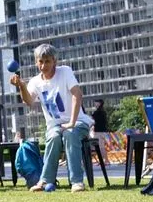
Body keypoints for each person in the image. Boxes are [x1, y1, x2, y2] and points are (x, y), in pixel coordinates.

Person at [10, 43, 93, 192]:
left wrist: (72, 122)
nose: (43, 65)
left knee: (70, 133)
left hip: (78, 121)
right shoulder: (35, 81)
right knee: (54, 137)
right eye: (40, 62)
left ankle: (76, 182)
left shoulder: (65, 72)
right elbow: (28, 101)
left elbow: (77, 94)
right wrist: (21, 86)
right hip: (55, 125)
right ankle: (45, 181)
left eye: (47, 61)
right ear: (36, 62)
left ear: (55, 61)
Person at [91, 99, 110, 165]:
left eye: (96, 103)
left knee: (100, 147)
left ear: (99, 103)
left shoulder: (98, 112)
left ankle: (106, 161)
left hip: (99, 132)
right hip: (102, 131)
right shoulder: (102, 112)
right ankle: (104, 161)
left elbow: (92, 121)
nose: (95, 104)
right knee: (100, 147)